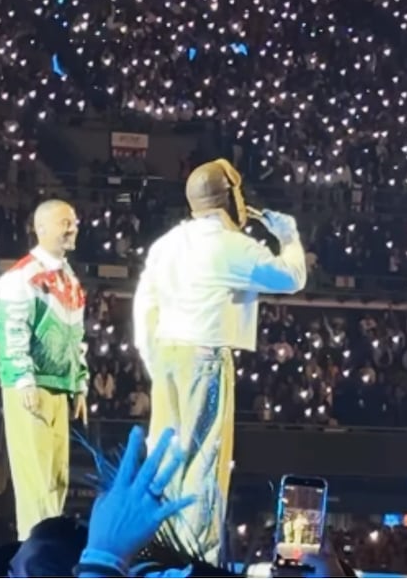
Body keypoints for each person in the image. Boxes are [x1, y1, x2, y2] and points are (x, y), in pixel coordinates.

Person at [133, 158, 307, 564]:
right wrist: (290, 236)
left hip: (167, 356)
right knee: (204, 464)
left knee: (167, 461)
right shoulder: (232, 245)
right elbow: (291, 277)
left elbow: (145, 303)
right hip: (205, 357)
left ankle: (163, 554)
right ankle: (198, 562)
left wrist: (151, 357)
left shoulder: (167, 243)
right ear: (228, 196)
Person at [0, 199, 89, 540]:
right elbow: (11, 332)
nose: (73, 227)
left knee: (56, 476)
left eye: (74, 221)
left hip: (60, 385)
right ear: (42, 227)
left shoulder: (70, 279)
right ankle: (33, 549)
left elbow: (77, 335)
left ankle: (47, 547)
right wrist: (23, 380)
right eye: (66, 222)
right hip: (30, 386)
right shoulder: (22, 276)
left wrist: (79, 382)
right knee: (35, 476)